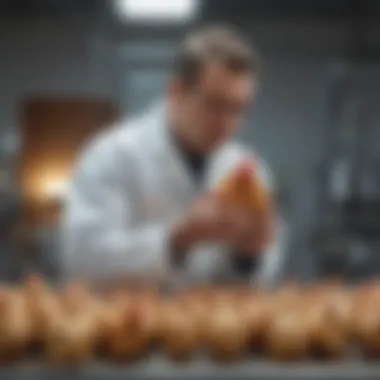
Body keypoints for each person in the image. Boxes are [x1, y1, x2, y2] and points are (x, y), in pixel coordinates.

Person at [61, 25, 287, 288]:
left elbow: (264, 274)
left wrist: (248, 257)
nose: (228, 123)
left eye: (239, 109)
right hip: (126, 327)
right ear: (176, 91)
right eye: (216, 105)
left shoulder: (246, 169)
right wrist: (178, 239)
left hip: (212, 327)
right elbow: (82, 260)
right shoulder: (113, 155)